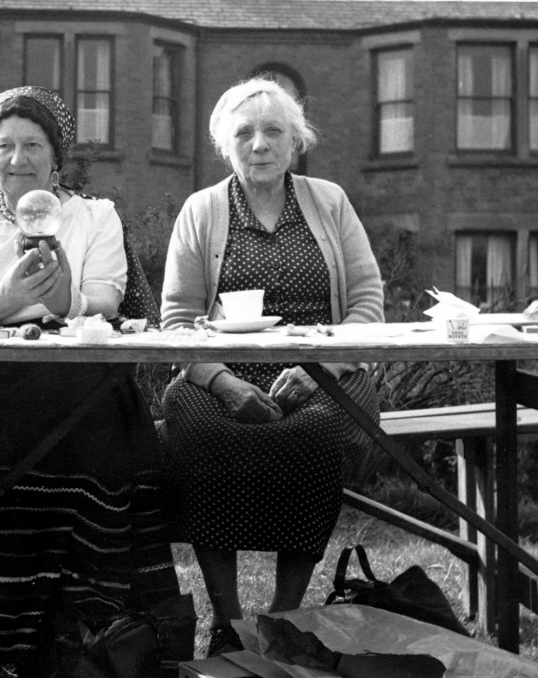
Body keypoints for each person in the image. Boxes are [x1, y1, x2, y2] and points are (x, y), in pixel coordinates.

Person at [0, 86, 182, 676]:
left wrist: (66, 296)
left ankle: (79, 640)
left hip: (82, 387)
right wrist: (6, 299)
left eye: (32, 145)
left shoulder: (96, 215)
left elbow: (108, 297)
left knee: (92, 473)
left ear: (56, 156)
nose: (17, 159)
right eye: (4, 146)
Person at [157, 77, 384, 656]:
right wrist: (223, 381)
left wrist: (320, 368)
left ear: (295, 141)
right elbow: (178, 320)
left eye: (273, 131)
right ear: (223, 144)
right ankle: (228, 623)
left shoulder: (330, 201)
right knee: (203, 433)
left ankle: (282, 620)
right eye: (244, 133)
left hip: (321, 371)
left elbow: (366, 302)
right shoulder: (201, 210)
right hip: (219, 372)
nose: (259, 144)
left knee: (316, 436)